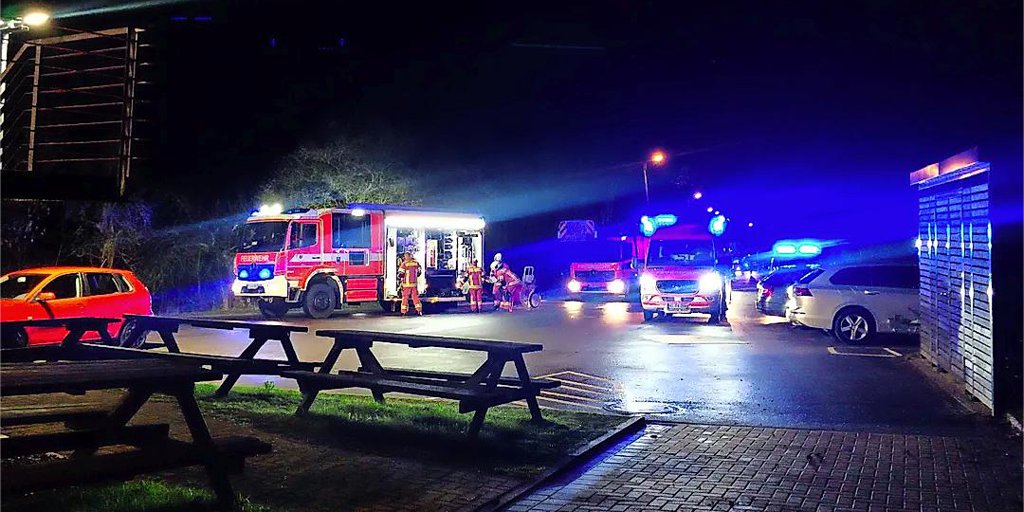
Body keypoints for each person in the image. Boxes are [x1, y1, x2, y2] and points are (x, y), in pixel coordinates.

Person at [398, 252, 423, 316]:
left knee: (405, 298)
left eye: (405, 256)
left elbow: (401, 274)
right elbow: (419, 272)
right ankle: (419, 310)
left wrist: (400, 279)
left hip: (406, 284)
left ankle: (403, 311)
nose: (405, 257)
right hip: (414, 284)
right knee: (415, 297)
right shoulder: (416, 263)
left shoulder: (404, 264)